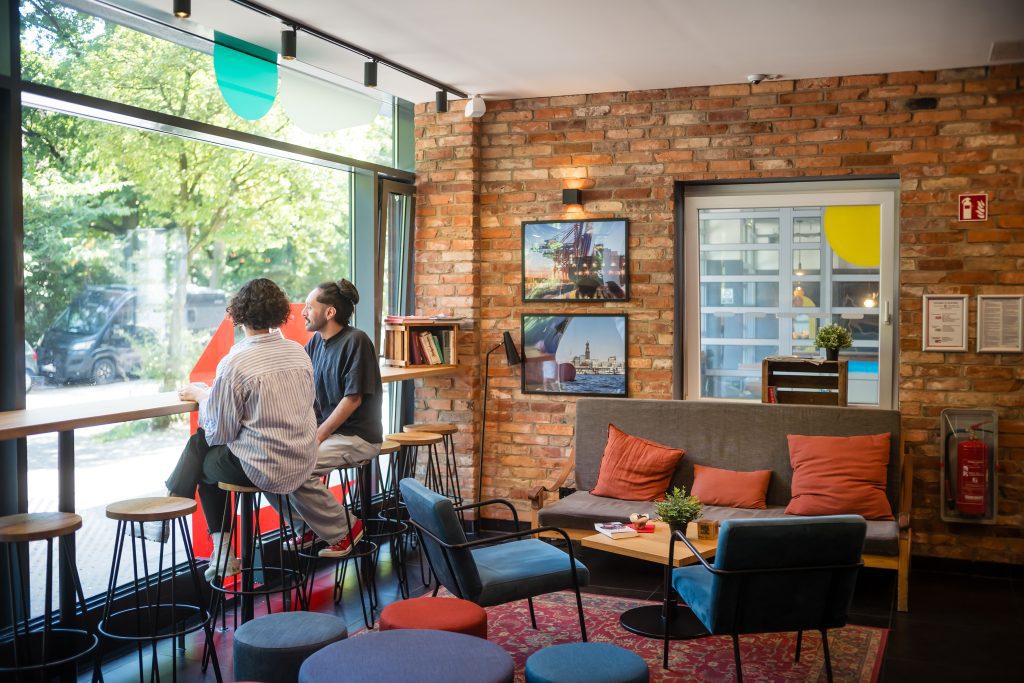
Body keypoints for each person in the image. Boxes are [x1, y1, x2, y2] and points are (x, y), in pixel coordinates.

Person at [164, 278, 317, 581]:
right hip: (302, 460)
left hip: (264, 467)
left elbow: (220, 432)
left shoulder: (234, 362)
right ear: (278, 312)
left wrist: (203, 396)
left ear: (239, 314)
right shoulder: (298, 353)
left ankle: (218, 550)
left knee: (203, 459)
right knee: (202, 446)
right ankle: (182, 511)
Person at [284, 279, 383, 558]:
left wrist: (317, 436)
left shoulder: (356, 341)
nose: (303, 311)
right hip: (330, 435)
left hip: (358, 437)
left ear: (329, 312)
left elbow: (353, 399)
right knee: (275, 466)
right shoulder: (316, 342)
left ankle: (345, 528)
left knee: (296, 470)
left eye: (309, 306)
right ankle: (308, 526)